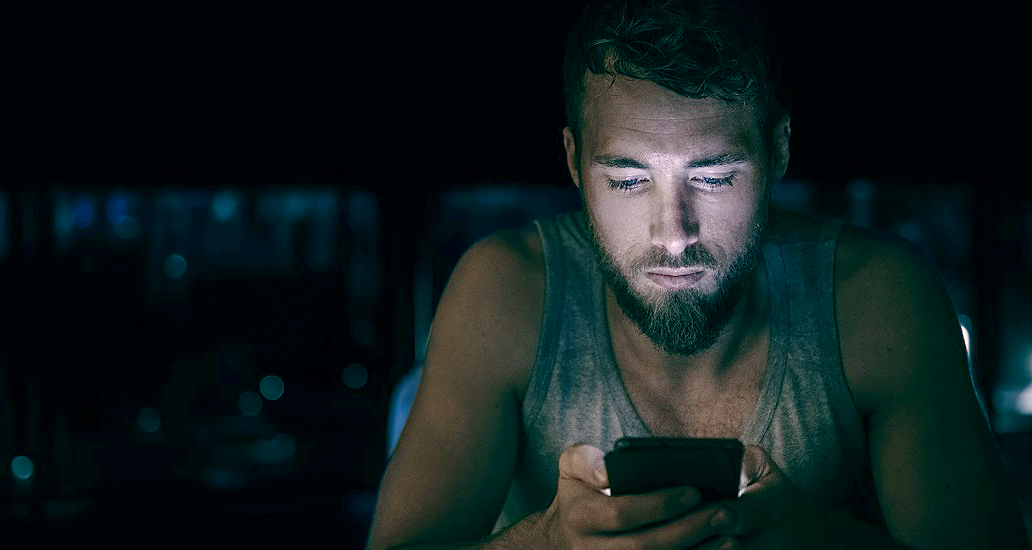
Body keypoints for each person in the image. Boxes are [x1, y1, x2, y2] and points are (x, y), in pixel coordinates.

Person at [367, 0, 1029, 548]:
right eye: (627, 179)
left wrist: (815, 539)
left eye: (711, 177)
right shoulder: (505, 291)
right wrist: (549, 542)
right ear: (573, 163)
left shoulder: (878, 297)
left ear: (776, 153)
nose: (673, 233)